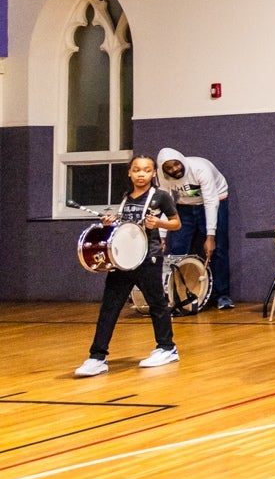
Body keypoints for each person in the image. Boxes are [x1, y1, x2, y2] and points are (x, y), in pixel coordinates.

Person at [75, 154, 183, 376]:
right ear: (129, 173)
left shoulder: (160, 197)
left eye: (145, 170)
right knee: (109, 307)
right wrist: (111, 222)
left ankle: (167, 348)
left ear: (153, 174)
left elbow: (176, 223)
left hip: (148, 258)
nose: (140, 174)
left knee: (157, 304)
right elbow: (125, 226)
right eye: (136, 170)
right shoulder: (126, 197)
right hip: (123, 260)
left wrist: (160, 222)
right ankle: (97, 357)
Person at [156, 147, 233, 309]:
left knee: (217, 249)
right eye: (168, 168)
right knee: (177, 250)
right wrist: (161, 235)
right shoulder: (162, 177)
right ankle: (179, 295)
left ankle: (223, 296)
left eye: (176, 165)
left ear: (181, 161)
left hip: (215, 198)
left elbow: (211, 201)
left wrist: (210, 236)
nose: (174, 170)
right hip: (185, 204)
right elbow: (165, 204)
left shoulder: (200, 168)